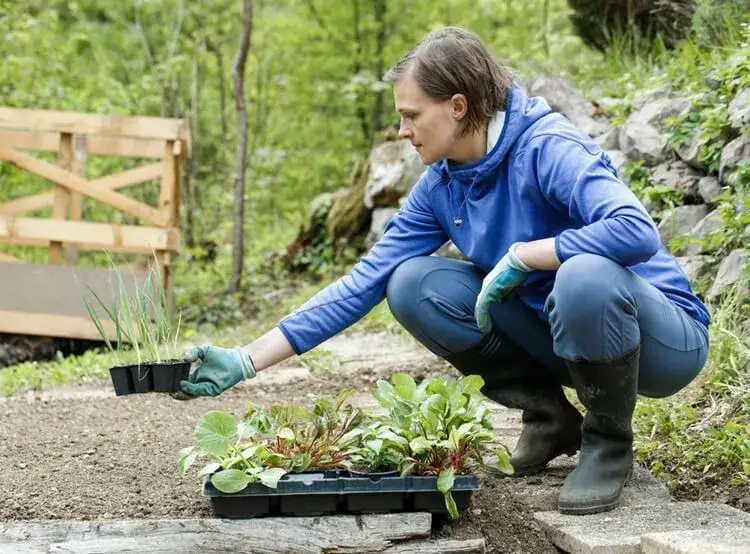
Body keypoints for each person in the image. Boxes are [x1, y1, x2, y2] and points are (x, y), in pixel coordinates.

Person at [174, 27, 711, 516]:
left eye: (411, 115)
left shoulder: (547, 147)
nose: (402, 129)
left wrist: (529, 253)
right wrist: (245, 359)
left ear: (458, 106)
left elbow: (635, 231)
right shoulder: (442, 185)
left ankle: (608, 442)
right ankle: (550, 419)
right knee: (411, 284)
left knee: (584, 274)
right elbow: (364, 282)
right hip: (562, 334)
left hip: (659, 341)